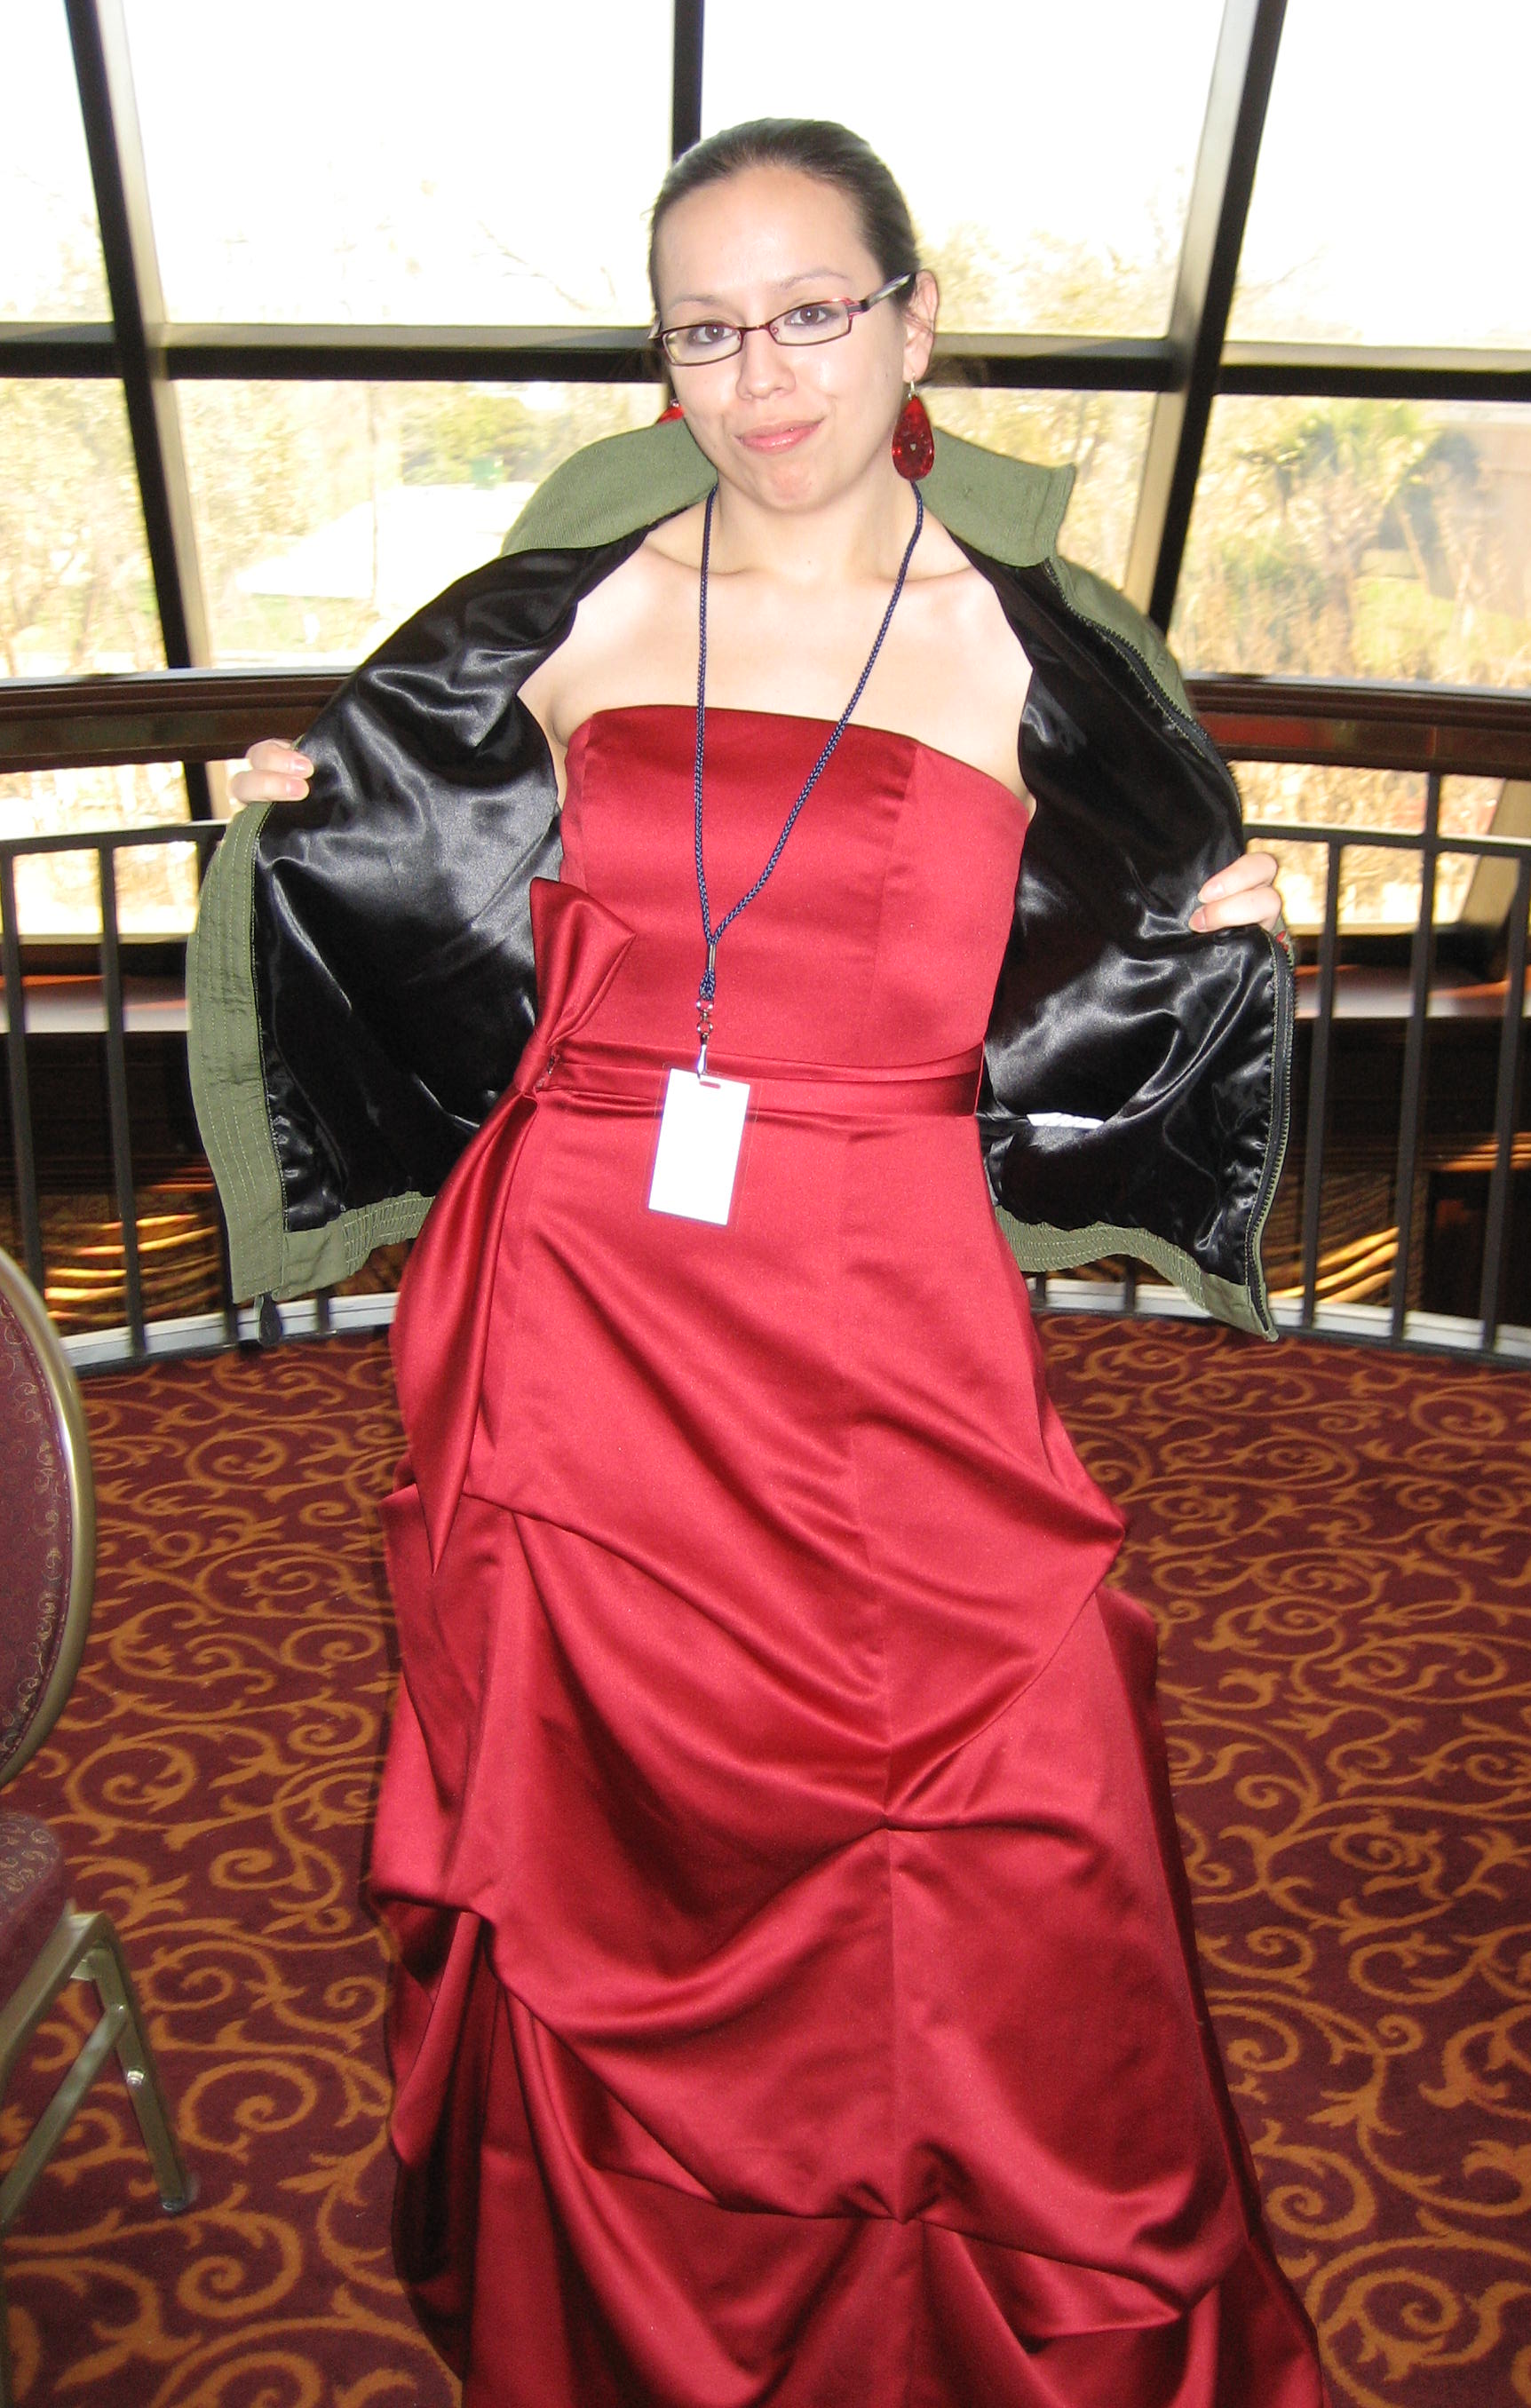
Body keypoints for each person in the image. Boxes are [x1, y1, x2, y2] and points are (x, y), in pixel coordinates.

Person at [199, 119, 1321, 2406]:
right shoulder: (574, 605)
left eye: (813, 312)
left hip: (887, 1298)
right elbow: (410, 851)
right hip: (582, 1299)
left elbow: (1102, 967)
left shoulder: (1032, 646)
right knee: (607, 1835)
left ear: (917, 324)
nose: (765, 376)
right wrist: (306, 824)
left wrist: (1215, 939)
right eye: (706, 330)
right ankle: (614, 2317)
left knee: (1022, 1809)